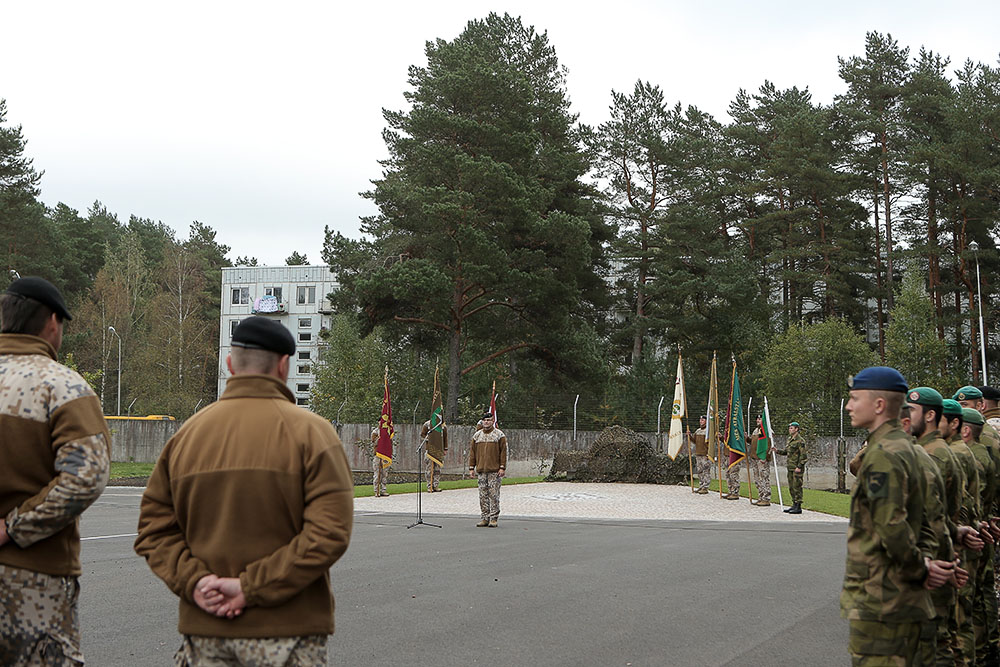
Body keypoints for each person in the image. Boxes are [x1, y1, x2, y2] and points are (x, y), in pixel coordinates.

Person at [134, 316, 354, 666]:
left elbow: (153, 530)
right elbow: (329, 534)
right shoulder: (313, 434)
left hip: (205, 634)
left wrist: (196, 583)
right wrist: (250, 588)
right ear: (284, 366)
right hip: (288, 634)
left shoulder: (186, 436)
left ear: (230, 364)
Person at [0, 277, 111, 665]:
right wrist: (14, 525)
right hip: (30, 582)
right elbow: (86, 476)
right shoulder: (62, 387)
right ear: (52, 323)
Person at [841, 366, 948, 665]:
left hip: (883, 604)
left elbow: (891, 527)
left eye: (854, 398)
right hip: (900, 600)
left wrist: (920, 568)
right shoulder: (909, 449)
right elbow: (928, 520)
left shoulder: (883, 455)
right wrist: (925, 561)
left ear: (878, 405)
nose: (849, 406)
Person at [906, 389, 964, 665]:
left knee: (936, 643)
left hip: (934, 561)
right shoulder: (932, 451)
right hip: (940, 555)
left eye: (911, 412)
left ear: (930, 415)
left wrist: (938, 559)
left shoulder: (934, 456)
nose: (905, 418)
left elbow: (932, 517)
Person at [960, 406, 1000, 665]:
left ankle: (979, 653)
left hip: (971, 535)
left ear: (964, 430)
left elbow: (968, 502)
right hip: (983, 528)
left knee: (967, 602)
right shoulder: (984, 453)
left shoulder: (971, 457)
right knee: (981, 593)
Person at [469, 412, 507, 528]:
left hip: (494, 470)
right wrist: (472, 468)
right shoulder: (477, 436)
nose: (487, 422)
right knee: (482, 495)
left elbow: (504, 453)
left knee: (493, 494)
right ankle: (485, 517)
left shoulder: (499, 435)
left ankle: (493, 518)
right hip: (481, 470)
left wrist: (502, 467)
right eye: (485, 420)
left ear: (492, 421)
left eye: (489, 420)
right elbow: (472, 453)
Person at [775, 422, 807, 514]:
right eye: (789, 428)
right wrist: (777, 451)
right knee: (791, 487)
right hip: (790, 467)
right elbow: (787, 452)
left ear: (796, 429)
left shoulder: (800, 441)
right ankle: (794, 504)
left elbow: (803, 456)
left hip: (797, 468)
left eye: (792, 428)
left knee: (797, 486)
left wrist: (799, 466)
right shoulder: (790, 439)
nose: (790, 429)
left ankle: (798, 506)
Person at [747, 416, 773, 507]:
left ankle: (766, 498)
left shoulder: (766, 430)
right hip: (754, 458)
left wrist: (765, 457)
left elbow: (769, 445)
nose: (758, 420)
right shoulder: (755, 431)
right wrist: (747, 438)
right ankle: (761, 497)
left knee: (764, 478)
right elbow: (753, 443)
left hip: (762, 459)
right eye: (757, 419)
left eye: (760, 419)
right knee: (757, 480)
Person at [420, 418, 448, 493]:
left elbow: (445, 438)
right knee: (429, 469)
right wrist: (430, 438)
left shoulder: (442, 426)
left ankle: (436, 485)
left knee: (437, 469)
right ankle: (429, 486)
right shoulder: (427, 424)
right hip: (430, 450)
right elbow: (422, 434)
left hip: (439, 450)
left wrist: (445, 449)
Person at [691, 415, 712, 494]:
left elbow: (711, 443)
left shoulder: (708, 431)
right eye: (700, 420)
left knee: (706, 470)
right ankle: (701, 485)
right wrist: (689, 436)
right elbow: (694, 440)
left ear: (706, 421)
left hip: (705, 454)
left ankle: (705, 487)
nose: (701, 421)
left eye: (702, 420)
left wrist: (709, 453)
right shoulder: (698, 431)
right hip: (698, 454)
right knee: (699, 471)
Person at [371, 426, 389, 497]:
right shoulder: (375, 431)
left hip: (385, 455)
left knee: (385, 473)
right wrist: (380, 438)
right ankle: (376, 490)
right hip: (377, 454)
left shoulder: (388, 431)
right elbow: (374, 442)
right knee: (377, 473)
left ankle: (383, 490)